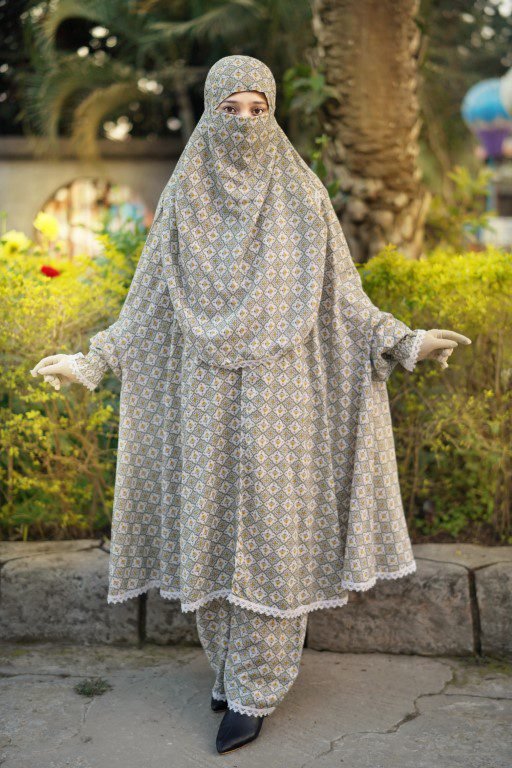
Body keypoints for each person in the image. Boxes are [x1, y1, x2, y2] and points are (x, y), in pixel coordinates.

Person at [30, 55, 471, 754]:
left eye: (257, 110)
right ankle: (229, 668)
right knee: (208, 531)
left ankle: (256, 689)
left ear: (273, 114)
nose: (243, 123)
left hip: (282, 404)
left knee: (272, 538)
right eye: (228, 110)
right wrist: (90, 363)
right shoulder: (184, 202)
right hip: (203, 400)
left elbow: (346, 301)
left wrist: (406, 342)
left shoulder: (303, 198)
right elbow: (146, 308)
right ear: (209, 116)